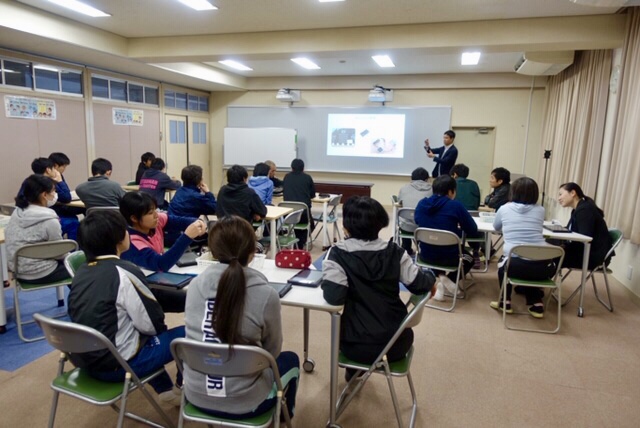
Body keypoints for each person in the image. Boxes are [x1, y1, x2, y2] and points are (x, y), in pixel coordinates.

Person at [184, 216, 299, 420]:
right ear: (252, 252)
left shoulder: (194, 286)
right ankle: (283, 416)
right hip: (246, 402)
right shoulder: (266, 295)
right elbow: (272, 352)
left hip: (195, 395)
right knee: (291, 359)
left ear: (212, 251)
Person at [68, 210, 184, 406]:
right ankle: (183, 390)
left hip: (84, 362)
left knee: (134, 334)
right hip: (118, 366)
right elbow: (151, 323)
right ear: (119, 238)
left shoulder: (81, 272)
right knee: (188, 336)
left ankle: (164, 389)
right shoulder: (124, 271)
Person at [321, 196, 436, 381]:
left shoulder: (337, 254)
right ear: (380, 224)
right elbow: (420, 284)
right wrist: (431, 278)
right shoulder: (396, 252)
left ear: (346, 227)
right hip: (397, 343)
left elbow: (335, 298)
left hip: (356, 346)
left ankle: (354, 371)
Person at [489, 177, 557, 318]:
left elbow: (496, 227)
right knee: (531, 261)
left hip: (515, 266)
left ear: (513, 192)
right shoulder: (541, 210)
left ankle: (505, 301)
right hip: (543, 269)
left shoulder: (504, 208)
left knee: (504, 264)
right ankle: (536, 303)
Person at [414, 175, 478, 301]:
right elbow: (472, 229)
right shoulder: (456, 206)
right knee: (469, 258)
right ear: (451, 191)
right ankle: (449, 280)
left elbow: (418, 221)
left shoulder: (422, 204)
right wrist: (457, 231)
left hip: (425, 255)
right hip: (449, 258)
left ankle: (441, 276)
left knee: (434, 249)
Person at [119, 191, 205, 275]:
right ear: (134, 218)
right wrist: (187, 237)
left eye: (155, 210)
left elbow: (180, 221)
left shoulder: (155, 221)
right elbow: (161, 264)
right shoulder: (131, 242)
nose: (156, 215)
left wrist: (198, 222)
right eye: (150, 213)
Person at [5, 174, 71, 284]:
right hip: (42, 272)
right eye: (53, 191)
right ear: (44, 194)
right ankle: (81, 300)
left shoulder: (17, 212)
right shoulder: (50, 220)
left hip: (17, 270)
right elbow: (59, 253)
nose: (55, 195)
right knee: (81, 267)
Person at [557, 182, 613, 270]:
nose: (559, 198)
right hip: (587, 252)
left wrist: (564, 246)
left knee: (554, 254)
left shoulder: (585, 210)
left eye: (560, 194)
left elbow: (584, 238)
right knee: (553, 249)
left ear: (572, 193)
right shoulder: (579, 209)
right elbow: (573, 231)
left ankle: (541, 279)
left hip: (592, 257)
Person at [31, 155, 81, 240]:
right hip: (47, 216)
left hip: (34, 217)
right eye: (53, 168)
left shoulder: (30, 181)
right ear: (48, 170)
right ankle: (75, 250)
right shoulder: (47, 183)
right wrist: (60, 181)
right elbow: (66, 197)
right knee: (73, 222)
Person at [450, 163, 483, 267]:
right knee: (474, 227)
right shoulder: (474, 184)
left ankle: (457, 251)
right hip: (473, 219)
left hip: (455, 223)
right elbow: (477, 204)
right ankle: (476, 252)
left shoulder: (451, 184)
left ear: (455, 174)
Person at [397, 167, 432, 255]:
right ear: (427, 179)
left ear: (412, 178)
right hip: (424, 228)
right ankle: (424, 249)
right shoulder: (433, 189)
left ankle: (406, 247)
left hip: (406, 228)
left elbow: (400, 204)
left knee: (405, 220)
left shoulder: (404, 188)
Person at [283, 159, 316, 249]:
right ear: (303, 168)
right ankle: (300, 242)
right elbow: (312, 195)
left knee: (297, 224)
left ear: (291, 168)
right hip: (304, 214)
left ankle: (297, 242)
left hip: (288, 214)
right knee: (311, 224)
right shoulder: (307, 178)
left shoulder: (286, 177)